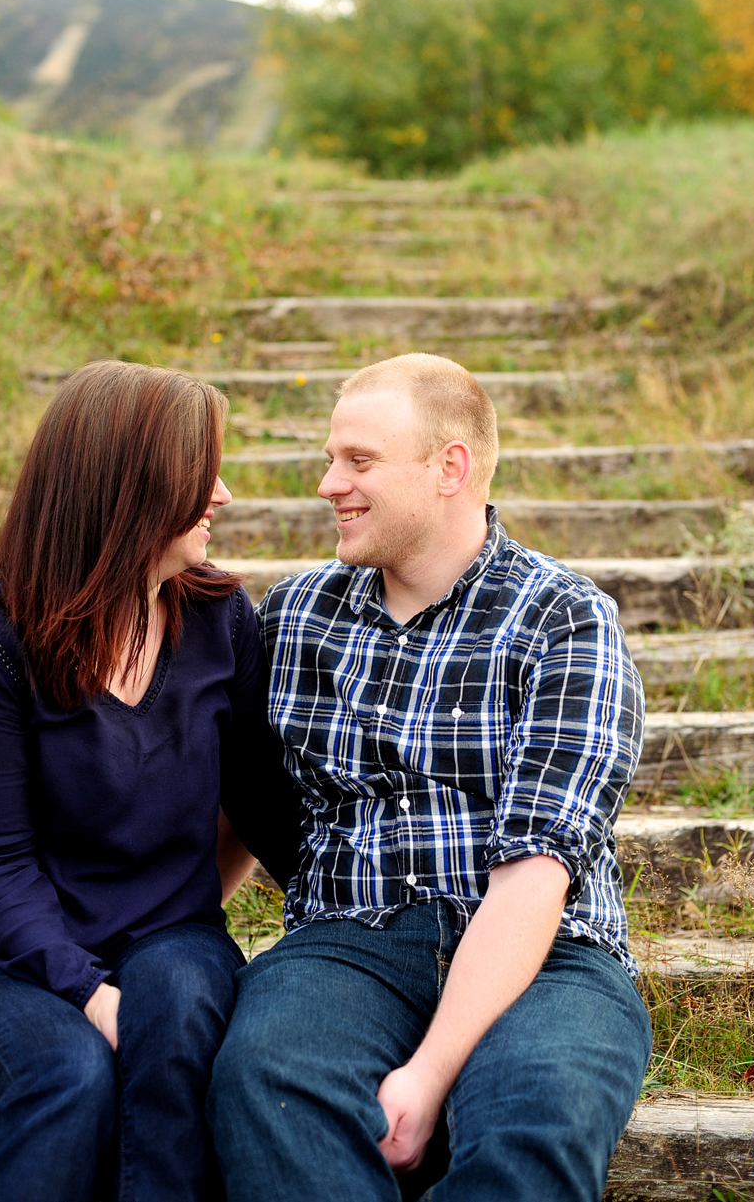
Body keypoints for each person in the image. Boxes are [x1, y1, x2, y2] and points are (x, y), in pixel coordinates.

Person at [209, 353, 651, 1202]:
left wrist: (427, 1074)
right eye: (332, 457)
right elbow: (245, 802)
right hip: (346, 940)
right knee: (268, 1081)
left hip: (548, 953)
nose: (328, 482)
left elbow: (534, 877)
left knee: (538, 1116)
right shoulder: (298, 614)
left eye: (359, 460)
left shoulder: (565, 618)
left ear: (449, 467)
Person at [0, 361, 299, 1202]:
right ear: (130, 489)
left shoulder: (219, 619)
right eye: (202, 476)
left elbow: (267, 807)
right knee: (69, 1071)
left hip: (165, 934)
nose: (226, 495)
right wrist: (90, 995)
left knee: (183, 1015)